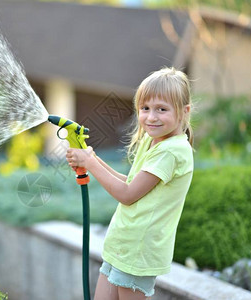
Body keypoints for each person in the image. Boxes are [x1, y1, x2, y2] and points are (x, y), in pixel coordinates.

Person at [66, 67, 194, 300]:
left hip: (139, 251)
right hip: (123, 245)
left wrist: (90, 164)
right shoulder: (154, 141)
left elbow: (127, 194)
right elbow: (132, 182)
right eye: (145, 108)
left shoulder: (172, 151)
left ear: (184, 111)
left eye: (161, 109)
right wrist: (91, 158)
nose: (151, 117)